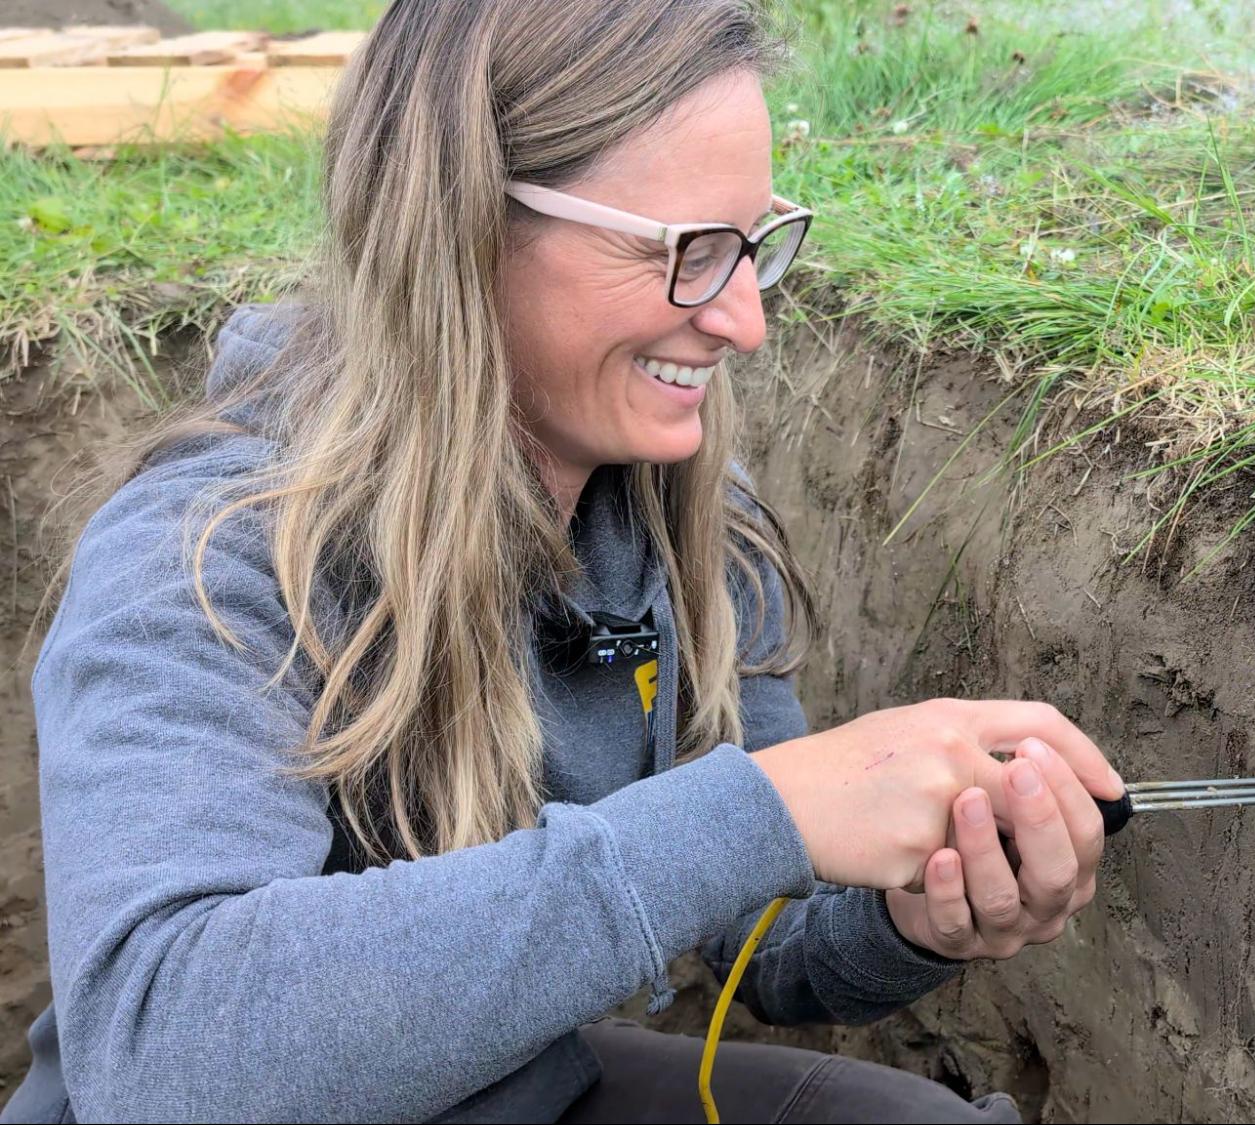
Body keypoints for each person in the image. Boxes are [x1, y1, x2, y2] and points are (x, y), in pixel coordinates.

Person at [1, 1, 1125, 1121]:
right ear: (466, 225)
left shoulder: (682, 508)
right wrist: (760, 809)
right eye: (686, 252)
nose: (744, 323)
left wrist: (915, 916)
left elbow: (763, 938)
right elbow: (162, 1056)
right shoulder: (205, 556)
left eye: (752, 246)